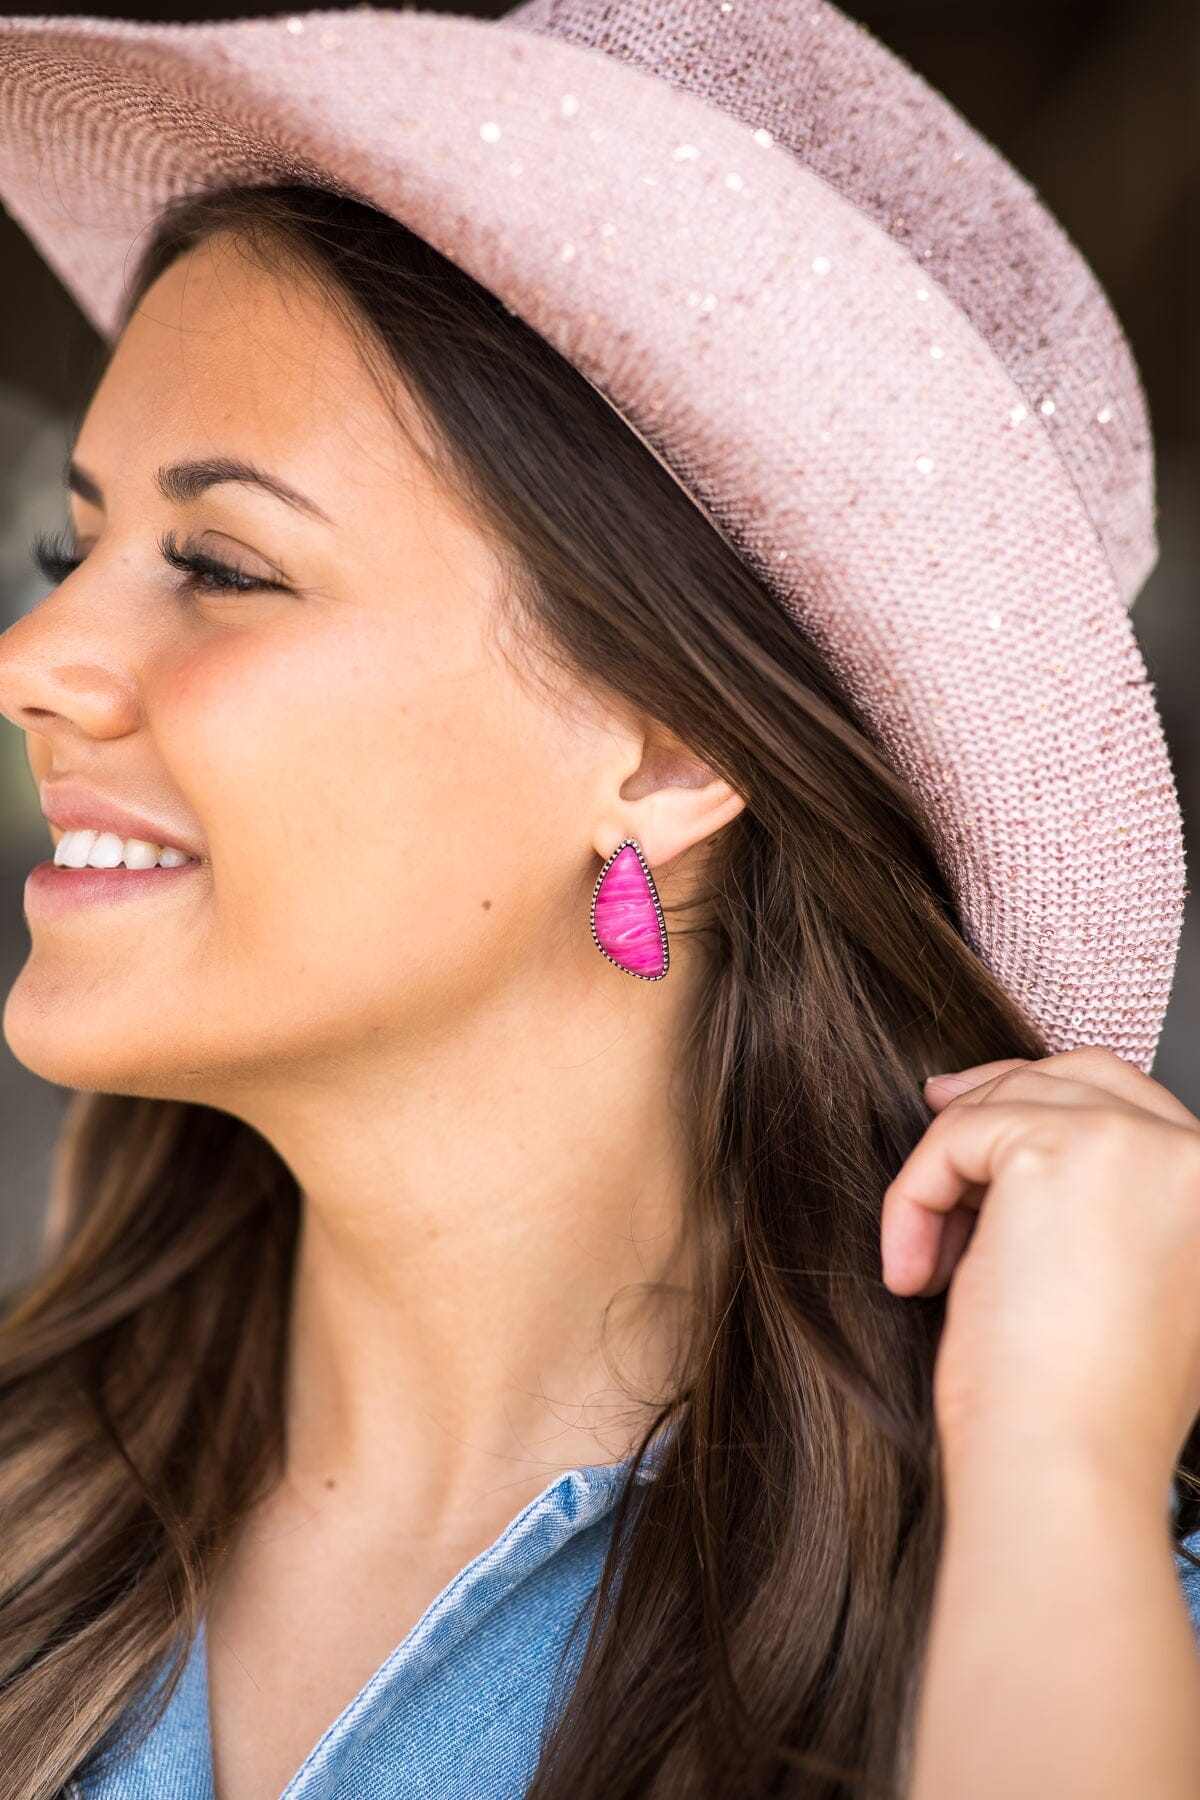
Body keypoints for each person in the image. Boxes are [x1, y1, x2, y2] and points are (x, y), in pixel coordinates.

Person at [0, 6, 1197, 1800]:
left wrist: (1054, 1478)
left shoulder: (1085, 1630)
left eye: (225, 568)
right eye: (64, 551)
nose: (35, 658)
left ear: (665, 749)